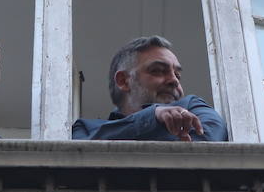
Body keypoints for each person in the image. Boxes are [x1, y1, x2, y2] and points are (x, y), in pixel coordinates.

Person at [72, 35, 228, 141]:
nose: (174, 80)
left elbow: (209, 142)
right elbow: (76, 153)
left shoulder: (193, 106)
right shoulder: (85, 129)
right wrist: (152, 116)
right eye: (158, 70)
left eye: (177, 75)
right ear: (124, 81)